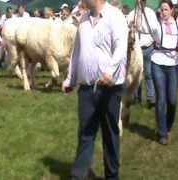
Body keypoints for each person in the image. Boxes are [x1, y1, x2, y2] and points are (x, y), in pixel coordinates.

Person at [62, 0, 128, 179]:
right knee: (85, 133)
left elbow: (121, 48)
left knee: (110, 135)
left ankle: (112, 176)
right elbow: (77, 52)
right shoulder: (83, 19)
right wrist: (70, 78)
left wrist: (110, 71)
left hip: (110, 88)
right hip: (86, 89)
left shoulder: (115, 17)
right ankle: (78, 176)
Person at [149, 0, 178, 145]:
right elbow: (145, 26)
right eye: (161, 10)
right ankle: (162, 133)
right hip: (157, 64)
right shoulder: (155, 25)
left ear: (172, 10)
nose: (162, 12)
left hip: (173, 65)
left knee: (172, 101)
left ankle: (168, 126)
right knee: (161, 99)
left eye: (165, 10)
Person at [127, 0, 158, 107]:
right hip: (136, 50)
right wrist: (131, 25)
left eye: (143, 1)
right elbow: (126, 27)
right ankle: (136, 97)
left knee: (148, 73)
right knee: (137, 74)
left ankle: (150, 97)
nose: (141, 2)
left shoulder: (150, 13)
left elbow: (155, 28)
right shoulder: (132, 14)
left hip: (148, 47)